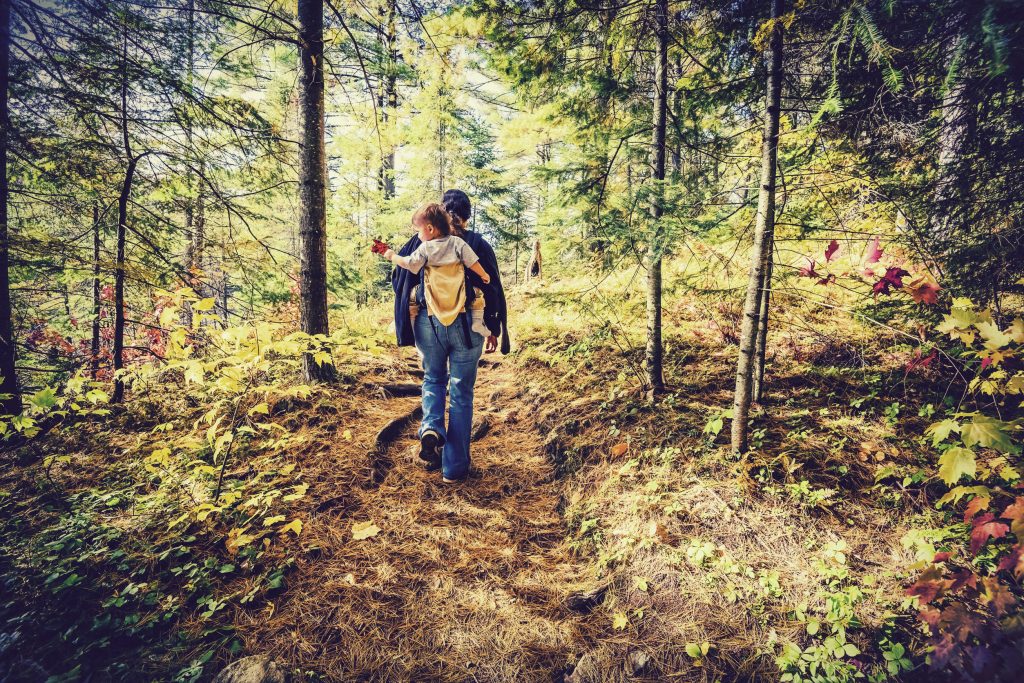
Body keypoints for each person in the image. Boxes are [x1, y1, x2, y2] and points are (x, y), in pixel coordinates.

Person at [388, 190, 510, 483]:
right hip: (469, 323)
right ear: (467, 217)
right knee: (461, 391)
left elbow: (398, 279)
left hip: (428, 323)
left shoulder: (421, 241)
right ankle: (454, 469)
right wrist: (494, 327)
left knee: (433, 378)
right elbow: (491, 284)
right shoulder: (476, 243)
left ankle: (431, 428)